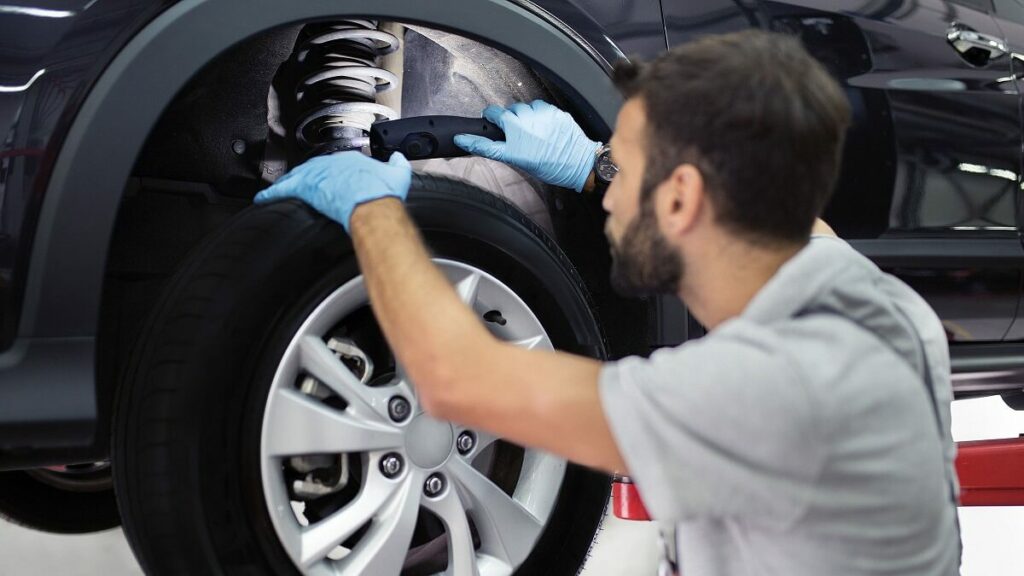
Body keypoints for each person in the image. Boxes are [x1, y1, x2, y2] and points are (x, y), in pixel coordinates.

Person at [256, 30, 960, 576]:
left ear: (683, 197)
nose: (609, 195)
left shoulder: (764, 393)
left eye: (623, 170)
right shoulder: (881, 309)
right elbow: (813, 237)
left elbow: (457, 380)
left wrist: (371, 209)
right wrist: (589, 162)